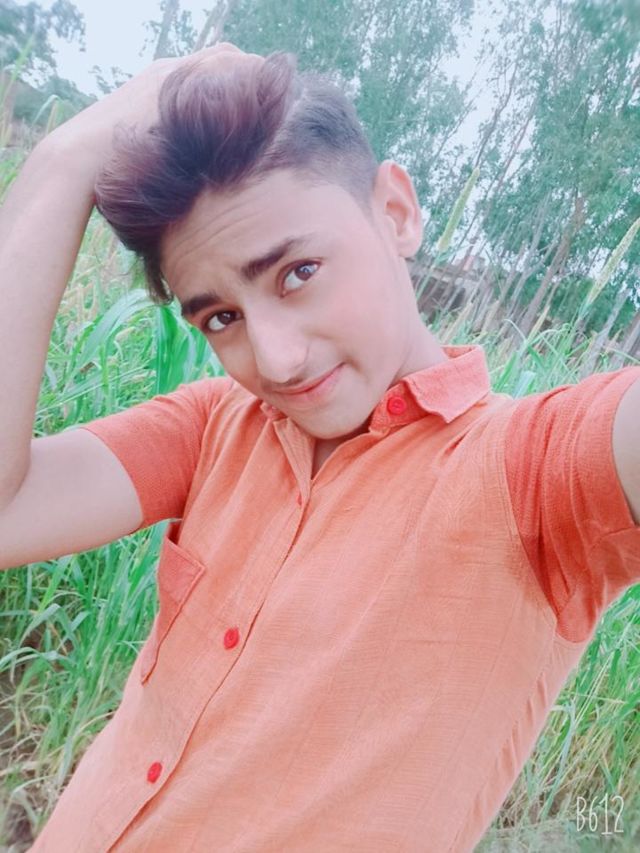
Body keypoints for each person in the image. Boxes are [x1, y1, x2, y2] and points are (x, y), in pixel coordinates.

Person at [0, 42, 638, 853]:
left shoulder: (535, 472)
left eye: (298, 272)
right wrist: (65, 160)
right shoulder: (213, 427)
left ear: (395, 213)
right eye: (221, 318)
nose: (276, 361)